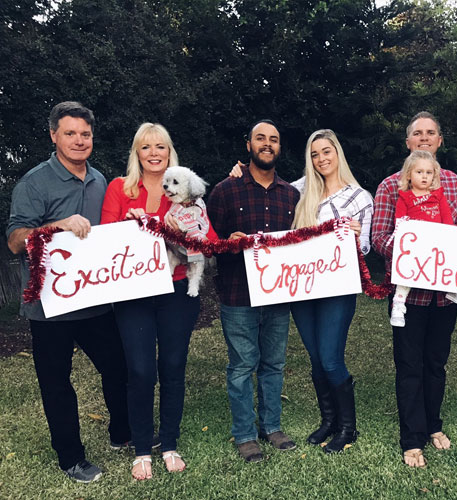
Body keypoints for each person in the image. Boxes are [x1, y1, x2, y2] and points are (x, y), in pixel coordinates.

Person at [6, 101, 130, 483]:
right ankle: (71, 458)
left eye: (85, 134)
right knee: (57, 383)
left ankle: (121, 434)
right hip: (50, 306)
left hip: (94, 300)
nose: (79, 140)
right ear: (53, 136)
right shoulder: (35, 182)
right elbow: (14, 241)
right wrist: (56, 225)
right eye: (70, 133)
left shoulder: (100, 179)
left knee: (119, 368)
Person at [100, 123, 216, 479]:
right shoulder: (120, 188)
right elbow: (105, 238)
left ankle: (169, 443)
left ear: (170, 152)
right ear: (137, 152)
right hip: (133, 293)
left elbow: (208, 240)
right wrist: (130, 222)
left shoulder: (183, 189)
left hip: (177, 291)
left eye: (161, 146)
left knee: (173, 366)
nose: (154, 153)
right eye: (146, 147)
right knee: (139, 370)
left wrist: (191, 233)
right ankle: (140, 448)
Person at [371, 111, 457, 467]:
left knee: (436, 364)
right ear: (408, 142)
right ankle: (411, 437)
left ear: (439, 140)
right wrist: (410, 246)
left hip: (444, 295)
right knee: (409, 364)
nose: (424, 138)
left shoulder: (456, 186)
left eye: (431, 133)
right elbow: (379, 238)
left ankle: (432, 424)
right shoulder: (389, 187)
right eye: (417, 133)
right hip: (408, 294)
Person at [208, 119, 301, 463]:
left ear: (279, 148)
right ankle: (245, 434)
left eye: (273, 140)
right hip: (237, 294)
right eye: (260, 138)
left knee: (274, 364)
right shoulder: (225, 191)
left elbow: (302, 243)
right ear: (248, 144)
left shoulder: (292, 195)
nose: (267, 144)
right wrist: (225, 243)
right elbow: (207, 242)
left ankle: (271, 426)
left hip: (278, 295)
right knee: (242, 366)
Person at [287, 129, 373, 453]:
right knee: (315, 358)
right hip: (302, 286)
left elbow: (364, 250)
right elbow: (269, 198)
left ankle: (348, 428)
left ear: (338, 153)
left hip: (337, 287)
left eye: (326, 151)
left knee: (331, 358)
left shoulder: (360, 198)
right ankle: (329, 421)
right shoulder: (299, 190)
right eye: (314, 154)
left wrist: (357, 234)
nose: (321, 159)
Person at [389, 150, 457, 327]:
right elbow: (399, 222)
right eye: (419, 172)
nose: (424, 177)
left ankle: (456, 288)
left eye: (429, 172)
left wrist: (448, 236)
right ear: (408, 175)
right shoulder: (405, 197)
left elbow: (447, 219)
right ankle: (399, 303)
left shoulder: (438, 196)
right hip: (415, 244)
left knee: (448, 262)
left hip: (437, 243)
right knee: (406, 271)